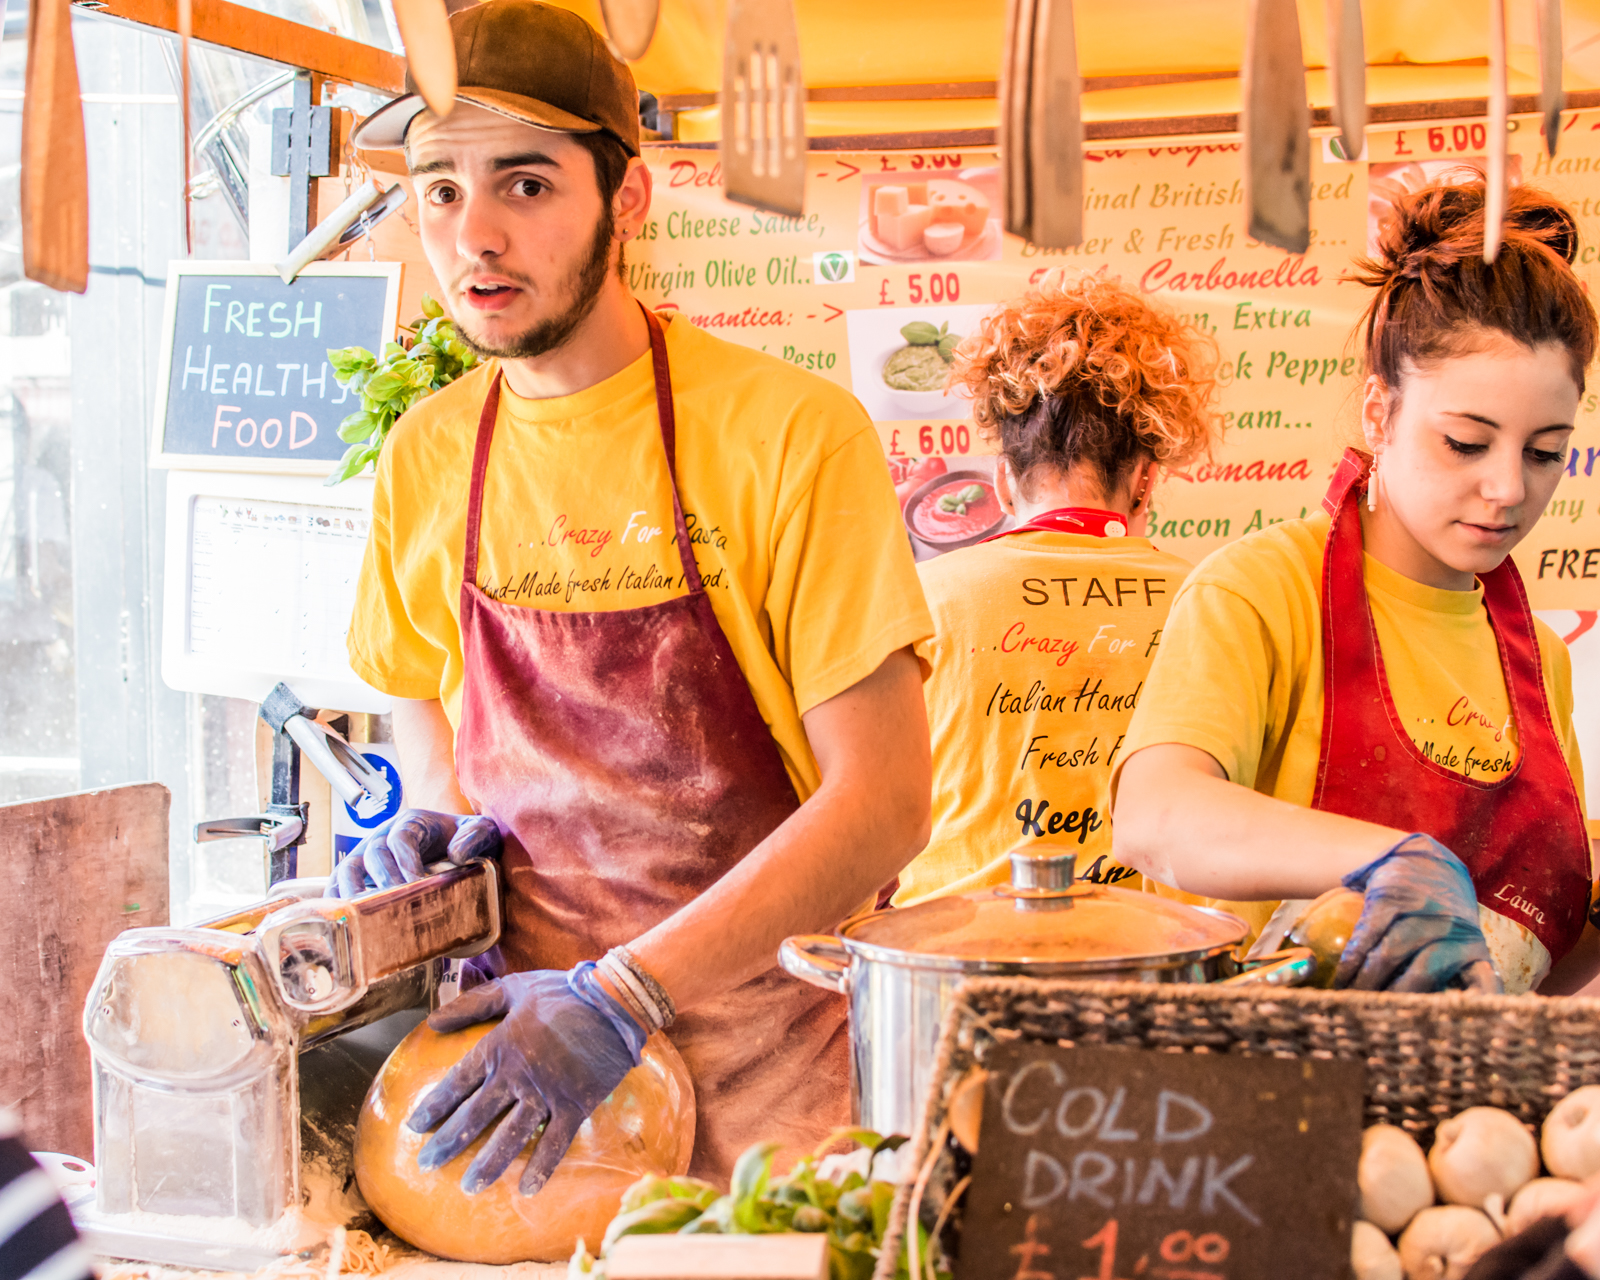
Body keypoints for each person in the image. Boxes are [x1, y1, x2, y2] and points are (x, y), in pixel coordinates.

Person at [338, 0, 934, 1190]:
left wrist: (625, 992)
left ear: (629, 199)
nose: (475, 239)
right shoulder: (427, 452)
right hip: (525, 1119)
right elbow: (428, 725)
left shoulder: (787, 434)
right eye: (440, 191)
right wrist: (421, 842)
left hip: (774, 1115)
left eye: (525, 184)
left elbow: (885, 802)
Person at [1112, 179, 1600, 996]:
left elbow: (1523, 968)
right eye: (1466, 443)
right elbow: (1155, 819)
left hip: (1467, 1107)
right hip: (1269, 1095)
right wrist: (1384, 861)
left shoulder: (1539, 662)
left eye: (1545, 452)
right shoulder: (1264, 590)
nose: (1509, 488)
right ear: (1380, 413)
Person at [895, 271, 1221, 904]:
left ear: (1000, 482)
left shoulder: (921, 599)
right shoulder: (1212, 601)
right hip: (1159, 962)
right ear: (1147, 480)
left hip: (949, 963)